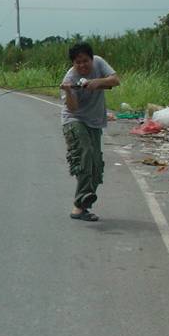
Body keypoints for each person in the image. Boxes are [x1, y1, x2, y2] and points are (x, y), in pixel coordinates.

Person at [59, 43, 120, 221]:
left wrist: (96, 83)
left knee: (95, 164)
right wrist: (69, 92)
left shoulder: (99, 63)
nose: (83, 65)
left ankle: (80, 207)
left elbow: (115, 80)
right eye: (78, 62)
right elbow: (73, 108)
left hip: (95, 121)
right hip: (74, 120)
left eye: (86, 61)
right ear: (73, 63)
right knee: (84, 152)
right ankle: (83, 198)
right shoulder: (70, 77)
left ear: (92, 59)